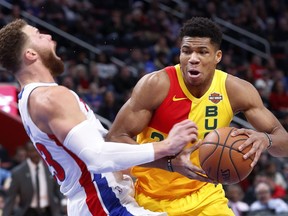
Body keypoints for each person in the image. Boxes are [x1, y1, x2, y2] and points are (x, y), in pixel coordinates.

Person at [0, 19, 200, 216]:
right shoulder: (51, 98)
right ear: (30, 54)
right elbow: (97, 157)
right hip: (103, 204)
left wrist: (168, 163)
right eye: (38, 34)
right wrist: (166, 146)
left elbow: (106, 154)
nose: (49, 36)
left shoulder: (33, 98)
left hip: (98, 204)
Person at [106, 17, 288, 215]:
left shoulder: (236, 90)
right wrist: (167, 163)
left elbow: (284, 143)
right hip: (152, 200)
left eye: (202, 52)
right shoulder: (156, 85)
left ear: (217, 56)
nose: (193, 58)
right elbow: (114, 139)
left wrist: (266, 139)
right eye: (186, 51)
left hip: (207, 198)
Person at [3, 141, 63, 216]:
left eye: (37, 150)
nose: (35, 154)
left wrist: (63, 203)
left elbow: (58, 190)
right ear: (27, 152)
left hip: (49, 210)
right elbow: (11, 198)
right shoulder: (18, 172)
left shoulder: (50, 168)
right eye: (31, 151)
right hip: (28, 211)